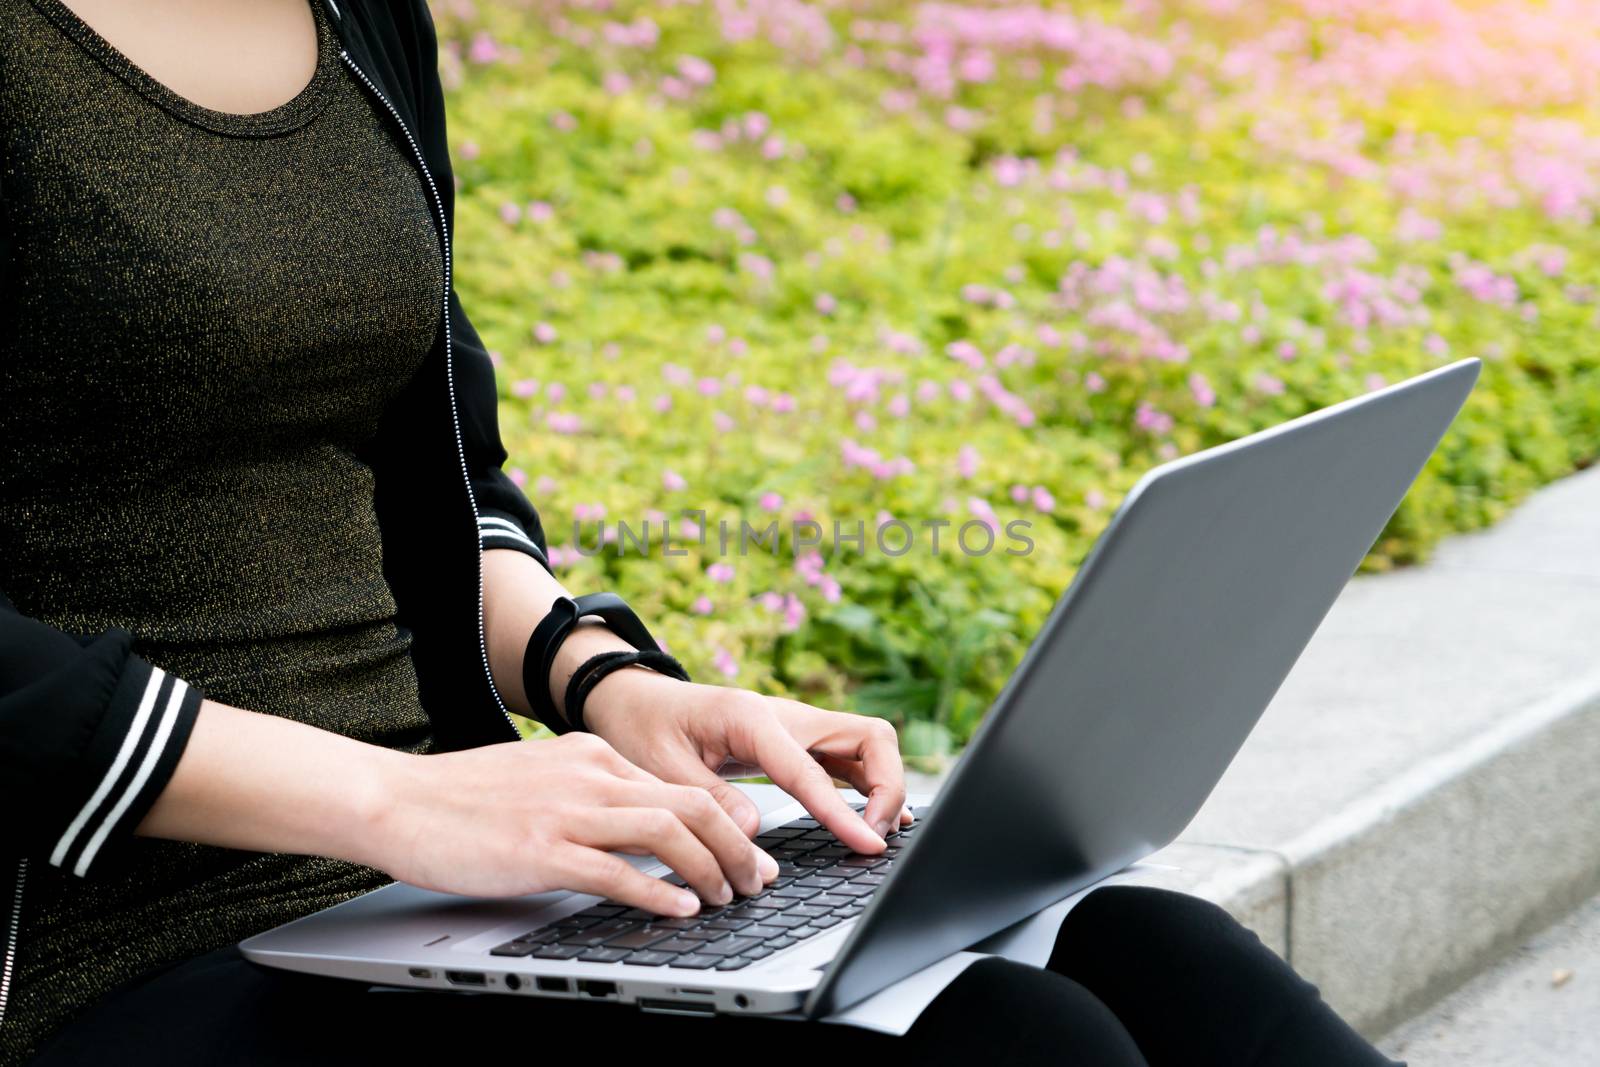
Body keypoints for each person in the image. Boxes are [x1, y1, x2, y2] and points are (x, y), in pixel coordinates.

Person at [0, 1, 1402, 1063]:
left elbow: (434, 466)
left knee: (1161, 953)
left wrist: (606, 682)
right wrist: (399, 802)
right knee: (1016, 1044)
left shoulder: (357, 12)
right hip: (105, 939)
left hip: (449, 879)